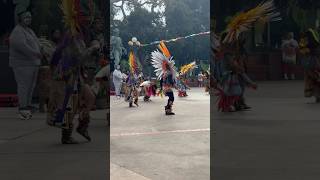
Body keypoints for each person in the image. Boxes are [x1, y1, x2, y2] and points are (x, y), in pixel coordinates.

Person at [47, 0, 98, 144]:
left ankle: (82, 126)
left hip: (75, 74)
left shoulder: (79, 32)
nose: (89, 20)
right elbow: (81, 55)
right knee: (69, 105)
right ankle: (66, 135)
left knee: (88, 98)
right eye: (86, 17)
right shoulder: (73, 34)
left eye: (89, 17)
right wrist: (93, 47)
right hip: (67, 75)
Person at [9, 10, 42, 120]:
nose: (29, 19)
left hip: (33, 63)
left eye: (30, 17)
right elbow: (22, 46)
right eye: (26, 17)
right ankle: (22, 108)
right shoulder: (17, 31)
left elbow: (37, 42)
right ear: (20, 19)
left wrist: (41, 49)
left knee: (30, 86)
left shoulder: (29, 30)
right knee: (24, 86)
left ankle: (27, 105)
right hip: (22, 64)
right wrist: (35, 53)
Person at [151, 41, 177, 115]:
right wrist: (174, 85)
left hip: (165, 88)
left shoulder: (165, 72)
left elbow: (162, 80)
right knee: (172, 98)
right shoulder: (168, 73)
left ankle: (168, 108)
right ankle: (168, 109)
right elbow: (169, 81)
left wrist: (162, 87)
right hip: (167, 88)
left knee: (171, 98)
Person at [299, 29, 320, 103]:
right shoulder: (310, 36)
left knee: (313, 79)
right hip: (313, 62)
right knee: (315, 79)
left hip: (311, 63)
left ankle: (317, 96)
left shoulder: (305, 37)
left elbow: (302, 49)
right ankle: (317, 96)